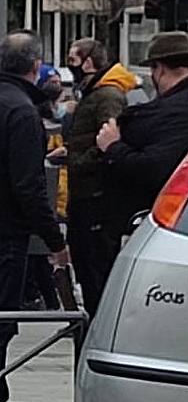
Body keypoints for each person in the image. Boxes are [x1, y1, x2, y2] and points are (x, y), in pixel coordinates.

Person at [95, 32, 188, 242]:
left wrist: (113, 147)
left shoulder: (170, 111)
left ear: (159, 69)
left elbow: (151, 168)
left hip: (160, 221)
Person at [0, 30, 69, 402]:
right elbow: (28, 187)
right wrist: (54, 238)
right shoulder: (21, 112)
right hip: (6, 234)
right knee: (2, 326)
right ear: (36, 67)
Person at [63, 38, 138, 316]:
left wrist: (81, 159)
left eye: (73, 60)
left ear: (89, 62)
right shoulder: (93, 93)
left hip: (94, 195)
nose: (71, 67)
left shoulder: (107, 96)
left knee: (94, 269)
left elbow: (110, 140)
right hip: (84, 190)